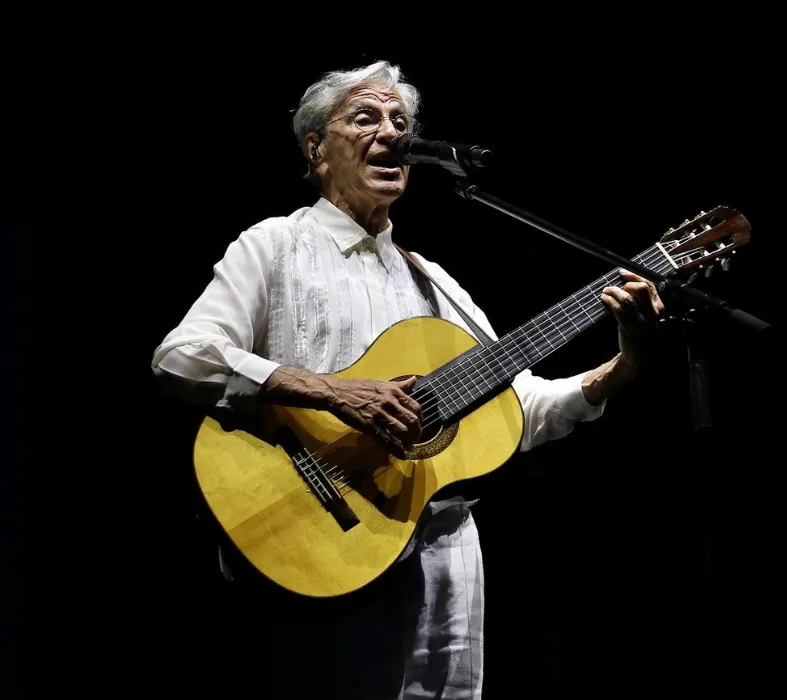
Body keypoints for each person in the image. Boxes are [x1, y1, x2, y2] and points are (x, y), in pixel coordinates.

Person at [151, 59, 665, 699]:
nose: (391, 134)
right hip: (326, 539)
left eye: (401, 123)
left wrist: (628, 363)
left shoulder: (435, 280)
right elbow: (182, 356)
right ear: (318, 150)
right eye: (366, 118)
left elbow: (521, 409)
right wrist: (334, 391)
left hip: (447, 558)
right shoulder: (274, 245)